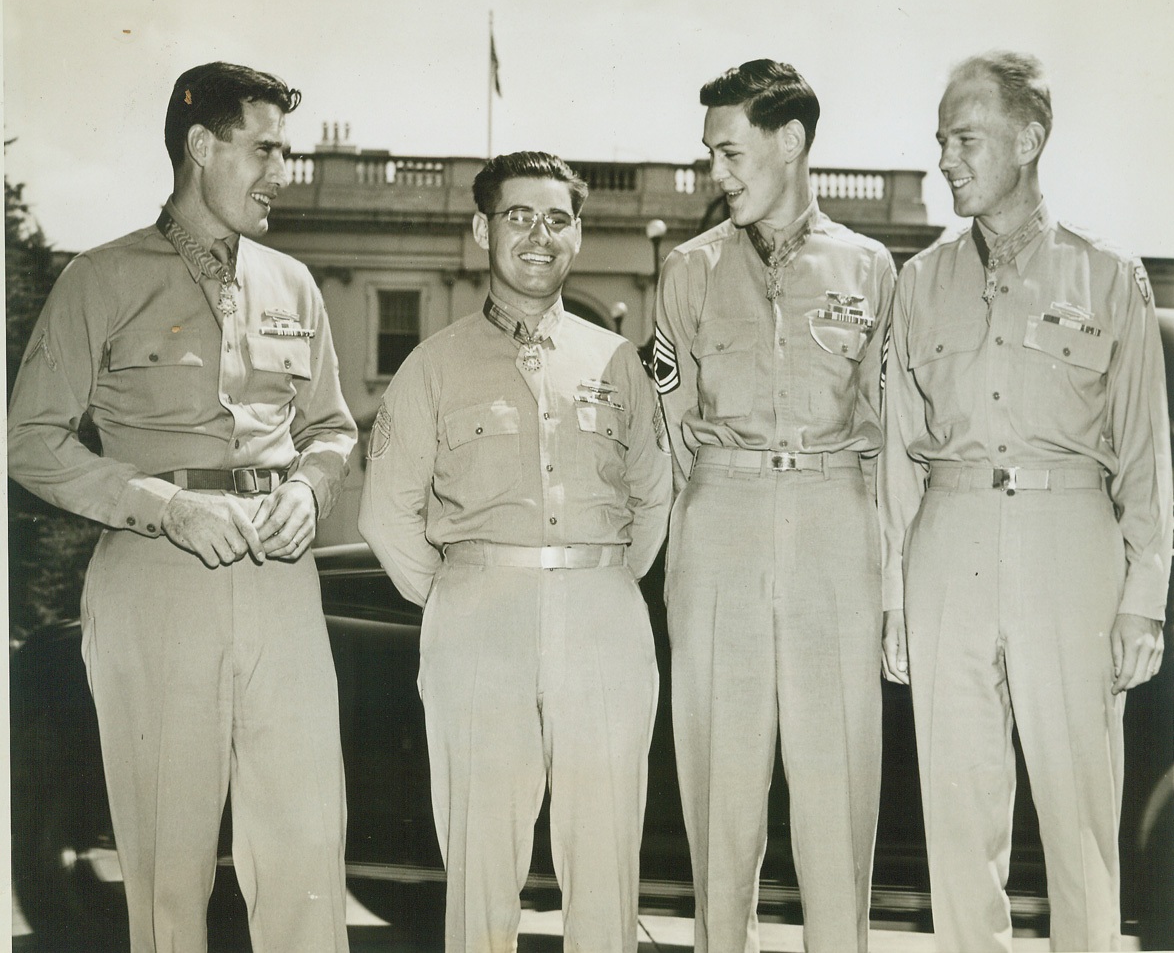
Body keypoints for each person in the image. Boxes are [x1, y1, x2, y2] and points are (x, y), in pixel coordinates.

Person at [7, 62, 356, 953]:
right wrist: (161, 504)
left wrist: (313, 487)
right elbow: (30, 440)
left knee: (309, 850)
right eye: (266, 149)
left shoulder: (294, 284)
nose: (283, 170)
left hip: (282, 581)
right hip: (156, 580)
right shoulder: (101, 277)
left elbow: (332, 428)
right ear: (202, 147)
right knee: (169, 865)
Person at [879, 50, 1171, 952]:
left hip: (1070, 546)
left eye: (965, 139)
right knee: (958, 821)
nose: (947, 160)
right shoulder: (918, 284)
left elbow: (1148, 459)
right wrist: (894, 599)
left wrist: (1141, 602)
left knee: (1081, 816)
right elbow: (896, 456)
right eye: (940, 143)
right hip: (948, 545)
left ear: (1030, 138)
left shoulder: (1108, 278)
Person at [358, 150, 671, 953]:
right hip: (479, 619)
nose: (540, 235)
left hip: (602, 612)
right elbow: (389, 515)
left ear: (578, 234)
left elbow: (654, 497)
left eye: (558, 219)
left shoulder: (616, 363)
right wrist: (468, 592)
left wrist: (593, 584)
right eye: (518, 216)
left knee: (605, 854)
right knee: (481, 857)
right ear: (481, 229)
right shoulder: (432, 365)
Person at [654, 60, 895, 953]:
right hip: (724, 518)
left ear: (789, 142)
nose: (715, 173)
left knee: (837, 786)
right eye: (709, 156)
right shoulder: (688, 270)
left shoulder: (869, 267)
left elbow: (891, 427)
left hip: (835, 520)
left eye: (728, 152)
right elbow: (673, 428)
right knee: (720, 786)